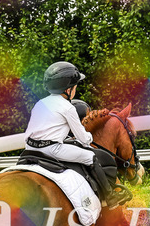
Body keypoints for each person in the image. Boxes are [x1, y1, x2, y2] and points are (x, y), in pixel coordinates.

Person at [24, 61, 125, 209]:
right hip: (52, 150)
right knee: (90, 157)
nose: (75, 89)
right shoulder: (68, 107)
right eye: (75, 86)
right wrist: (89, 138)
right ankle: (110, 197)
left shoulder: (40, 103)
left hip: (30, 148)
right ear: (68, 89)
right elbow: (82, 138)